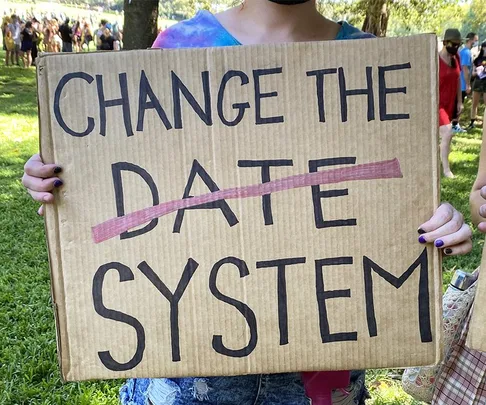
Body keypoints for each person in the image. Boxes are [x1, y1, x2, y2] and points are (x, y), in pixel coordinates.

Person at [21, 1, 474, 404]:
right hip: (186, 383)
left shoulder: (374, 64)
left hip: (322, 384)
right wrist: (66, 186)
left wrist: (440, 224)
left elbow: (393, 200)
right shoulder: (177, 48)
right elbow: (120, 197)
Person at [439, 28, 463, 179]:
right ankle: (446, 169)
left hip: (450, 103)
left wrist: (459, 101)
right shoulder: (435, 59)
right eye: (453, 44)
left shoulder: (456, 58)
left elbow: (458, 79)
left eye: (458, 44)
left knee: (447, 136)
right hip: (438, 105)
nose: (456, 47)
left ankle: (439, 159)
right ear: (445, 42)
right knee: (448, 132)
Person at [452, 32, 478, 133]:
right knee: (459, 104)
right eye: (475, 40)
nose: (476, 43)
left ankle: (455, 124)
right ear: (470, 40)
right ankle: (454, 125)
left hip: (461, 83)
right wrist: (468, 84)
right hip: (462, 84)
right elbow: (465, 69)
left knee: (459, 104)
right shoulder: (466, 52)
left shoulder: (463, 51)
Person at [466, 42, 486, 131]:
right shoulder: (477, 59)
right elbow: (472, 73)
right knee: (474, 103)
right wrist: (477, 71)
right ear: (483, 48)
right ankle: (472, 122)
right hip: (478, 82)